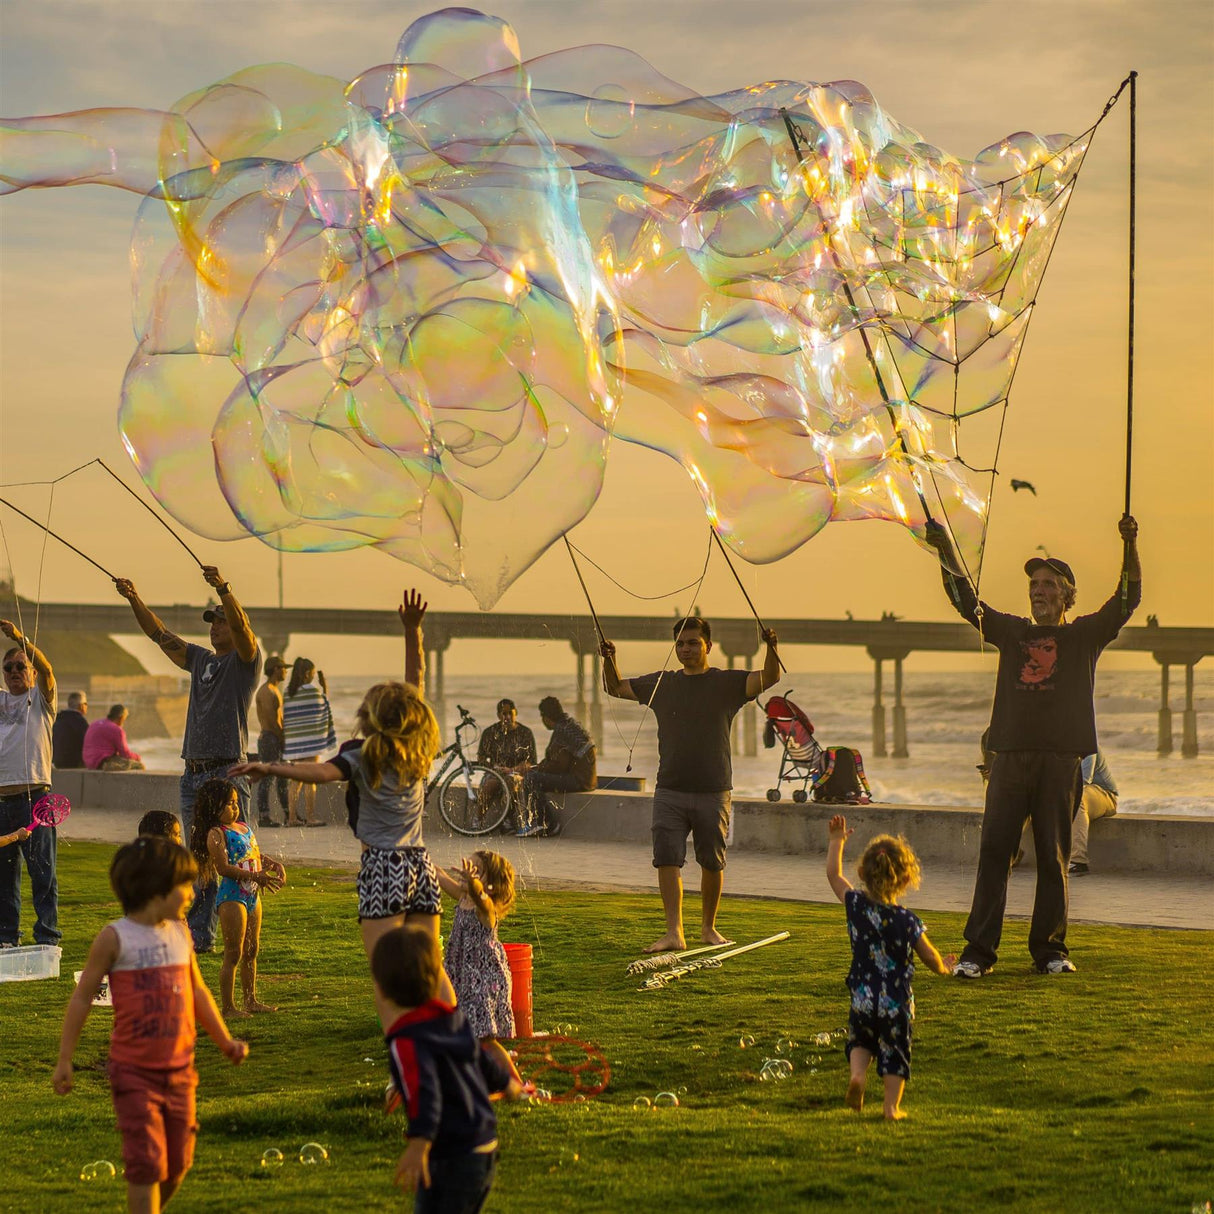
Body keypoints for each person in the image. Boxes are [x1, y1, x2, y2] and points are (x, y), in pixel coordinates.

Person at [926, 514, 1141, 977]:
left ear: (1066, 594)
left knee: (1053, 858)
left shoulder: (1082, 635)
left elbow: (1127, 599)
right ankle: (976, 954)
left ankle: (1050, 951)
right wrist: (946, 552)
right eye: (1034, 584)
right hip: (1009, 759)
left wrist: (1129, 544)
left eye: (1048, 584)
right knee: (993, 855)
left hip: (1061, 762)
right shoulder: (1011, 631)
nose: (1038, 590)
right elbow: (966, 601)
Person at [231, 590, 454, 1025]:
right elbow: (417, 689)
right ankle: (462, 1044)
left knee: (386, 975)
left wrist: (270, 767)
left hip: (383, 866)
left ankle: (403, 1064)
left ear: (371, 717)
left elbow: (320, 774)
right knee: (432, 969)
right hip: (421, 865)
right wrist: (414, 633)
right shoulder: (418, 747)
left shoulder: (364, 753)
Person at [53, 837, 248, 1214]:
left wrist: (225, 1041)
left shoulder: (179, 933)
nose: (193, 891)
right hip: (134, 1074)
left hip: (180, 1071)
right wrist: (65, 1059)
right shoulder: (114, 939)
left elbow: (198, 991)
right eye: (184, 884)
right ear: (155, 889)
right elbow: (81, 999)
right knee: (146, 1166)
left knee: (178, 1164)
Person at [601, 615, 779, 953]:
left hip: (714, 789)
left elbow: (770, 677)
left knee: (712, 861)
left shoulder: (726, 683)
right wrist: (609, 660)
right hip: (669, 788)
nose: (686, 649)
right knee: (667, 858)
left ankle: (709, 928)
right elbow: (615, 687)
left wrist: (771, 648)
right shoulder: (662, 683)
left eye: (693, 642)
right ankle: (674, 933)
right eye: (680, 643)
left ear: (708, 645)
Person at [114, 565, 261, 953]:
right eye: (211, 622)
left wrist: (224, 589)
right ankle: (200, 936)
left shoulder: (245, 662)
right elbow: (159, 634)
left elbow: (245, 632)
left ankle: (239, 931)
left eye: (221, 622)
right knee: (198, 859)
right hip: (192, 771)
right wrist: (134, 598)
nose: (215, 627)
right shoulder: (199, 659)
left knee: (233, 854)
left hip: (227, 770)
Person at [372, 925, 523, 1211]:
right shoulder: (454, 1020)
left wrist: (419, 1143)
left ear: (383, 987)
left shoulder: (405, 1041)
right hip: (485, 1145)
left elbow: (422, 1090)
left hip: (452, 1155)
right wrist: (507, 1083)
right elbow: (480, 1058)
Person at [825, 815, 955, 1120]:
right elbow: (929, 956)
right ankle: (890, 1108)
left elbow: (833, 875)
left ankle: (857, 1077)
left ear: (862, 871)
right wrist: (944, 967)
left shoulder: (854, 903)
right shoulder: (906, 920)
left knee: (861, 1040)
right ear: (906, 879)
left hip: (862, 996)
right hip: (895, 1000)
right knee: (894, 1051)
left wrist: (836, 841)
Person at [189, 777, 285, 1018]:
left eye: (235, 802)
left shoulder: (243, 827)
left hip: (253, 895)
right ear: (214, 806)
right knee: (234, 952)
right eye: (228, 803)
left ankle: (250, 1000)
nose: (235, 807)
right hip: (233, 896)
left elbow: (253, 854)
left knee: (252, 949)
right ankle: (229, 1006)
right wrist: (256, 877)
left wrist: (272, 864)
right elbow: (223, 868)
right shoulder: (216, 834)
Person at [0, 620, 60, 948]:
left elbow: (48, 667)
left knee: (43, 872)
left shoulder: (41, 698)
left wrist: (20, 638)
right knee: (3, 877)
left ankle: (47, 937)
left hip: (35, 796)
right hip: (1, 800)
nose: (13, 671)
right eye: (7, 667)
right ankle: (7, 937)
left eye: (20, 666)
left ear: (32, 672)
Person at [436, 851, 519, 1079]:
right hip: (464, 976)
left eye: (475, 871)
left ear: (490, 886)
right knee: (466, 1030)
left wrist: (472, 883)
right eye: (467, 867)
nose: (466, 873)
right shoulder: (463, 898)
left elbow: (478, 892)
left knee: (485, 1038)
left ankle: (517, 1084)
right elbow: (441, 877)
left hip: (484, 979)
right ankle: (477, 1074)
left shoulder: (486, 909)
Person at [515, 696, 596, 838]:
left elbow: (559, 765)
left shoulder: (561, 732)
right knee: (534, 776)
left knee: (531, 779)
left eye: (542, 716)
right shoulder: (570, 725)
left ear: (546, 717)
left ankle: (546, 823)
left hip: (578, 780)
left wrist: (535, 769)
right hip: (588, 779)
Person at [282, 658, 337, 827]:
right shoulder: (314, 691)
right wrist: (324, 686)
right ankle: (311, 817)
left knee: (295, 781)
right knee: (310, 780)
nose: (313, 677)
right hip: (311, 743)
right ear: (307, 674)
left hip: (294, 743)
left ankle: (291, 818)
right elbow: (324, 707)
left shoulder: (287, 693)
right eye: (312, 674)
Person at [254, 656, 290, 828]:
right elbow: (272, 719)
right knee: (267, 779)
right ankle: (264, 816)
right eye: (283, 668)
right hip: (270, 738)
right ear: (276, 669)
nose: (286, 671)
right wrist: (282, 739)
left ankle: (289, 814)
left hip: (272, 737)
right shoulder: (267, 691)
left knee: (283, 778)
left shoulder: (274, 689)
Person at [1070, 751, 1118, 876]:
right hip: (1066, 790)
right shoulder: (1052, 744)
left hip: (1105, 794)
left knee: (1076, 797)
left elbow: (1083, 779)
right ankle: (1015, 851)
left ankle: (1078, 860)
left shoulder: (1086, 740)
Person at [477, 698, 536, 792]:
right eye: (504, 714)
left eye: (510, 713)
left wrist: (512, 770)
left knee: (510, 782)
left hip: (517, 773)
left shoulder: (525, 733)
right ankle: (480, 807)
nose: (507, 717)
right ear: (498, 715)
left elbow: (531, 761)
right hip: (495, 773)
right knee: (489, 785)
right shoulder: (490, 732)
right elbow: (481, 757)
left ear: (515, 713)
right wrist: (494, 768)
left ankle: (511, 807)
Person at [83, 703, 145, 771]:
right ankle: (110, 766)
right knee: (139, 766)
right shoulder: (117, 730)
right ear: (121, 717)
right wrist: (138, 757)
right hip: (102, 761)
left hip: (88, 762)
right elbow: (125, 754)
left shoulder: (94, 723)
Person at [52, 690, 89, 769]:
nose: (87, 706)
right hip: (74, 764)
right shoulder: (80, 722)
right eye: (86, 704)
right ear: (81, 706)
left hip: (56, 762)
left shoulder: (58, 718)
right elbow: (87, 743)